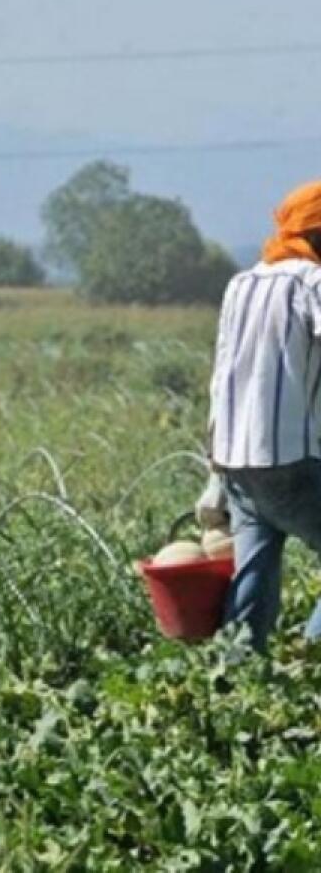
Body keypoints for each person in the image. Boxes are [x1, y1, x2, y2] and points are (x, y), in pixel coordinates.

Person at [198, 180, 321, 652]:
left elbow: (220, 377)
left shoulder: (242, 283)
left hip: (236, 461)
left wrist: (214, 475)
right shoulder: (310, 283)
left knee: (254, 576)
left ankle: (236, 675)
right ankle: (311, 660)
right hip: (289, 459)